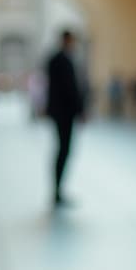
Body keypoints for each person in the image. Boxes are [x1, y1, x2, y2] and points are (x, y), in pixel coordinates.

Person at [44, 30, 84, 206]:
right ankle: (57, 191)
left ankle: (58, 190)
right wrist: (80, 109)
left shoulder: (55, 59)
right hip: (65, 112)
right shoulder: (63, 60)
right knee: (64, 150)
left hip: (59, 111)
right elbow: (69, 88)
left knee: (62, 149)